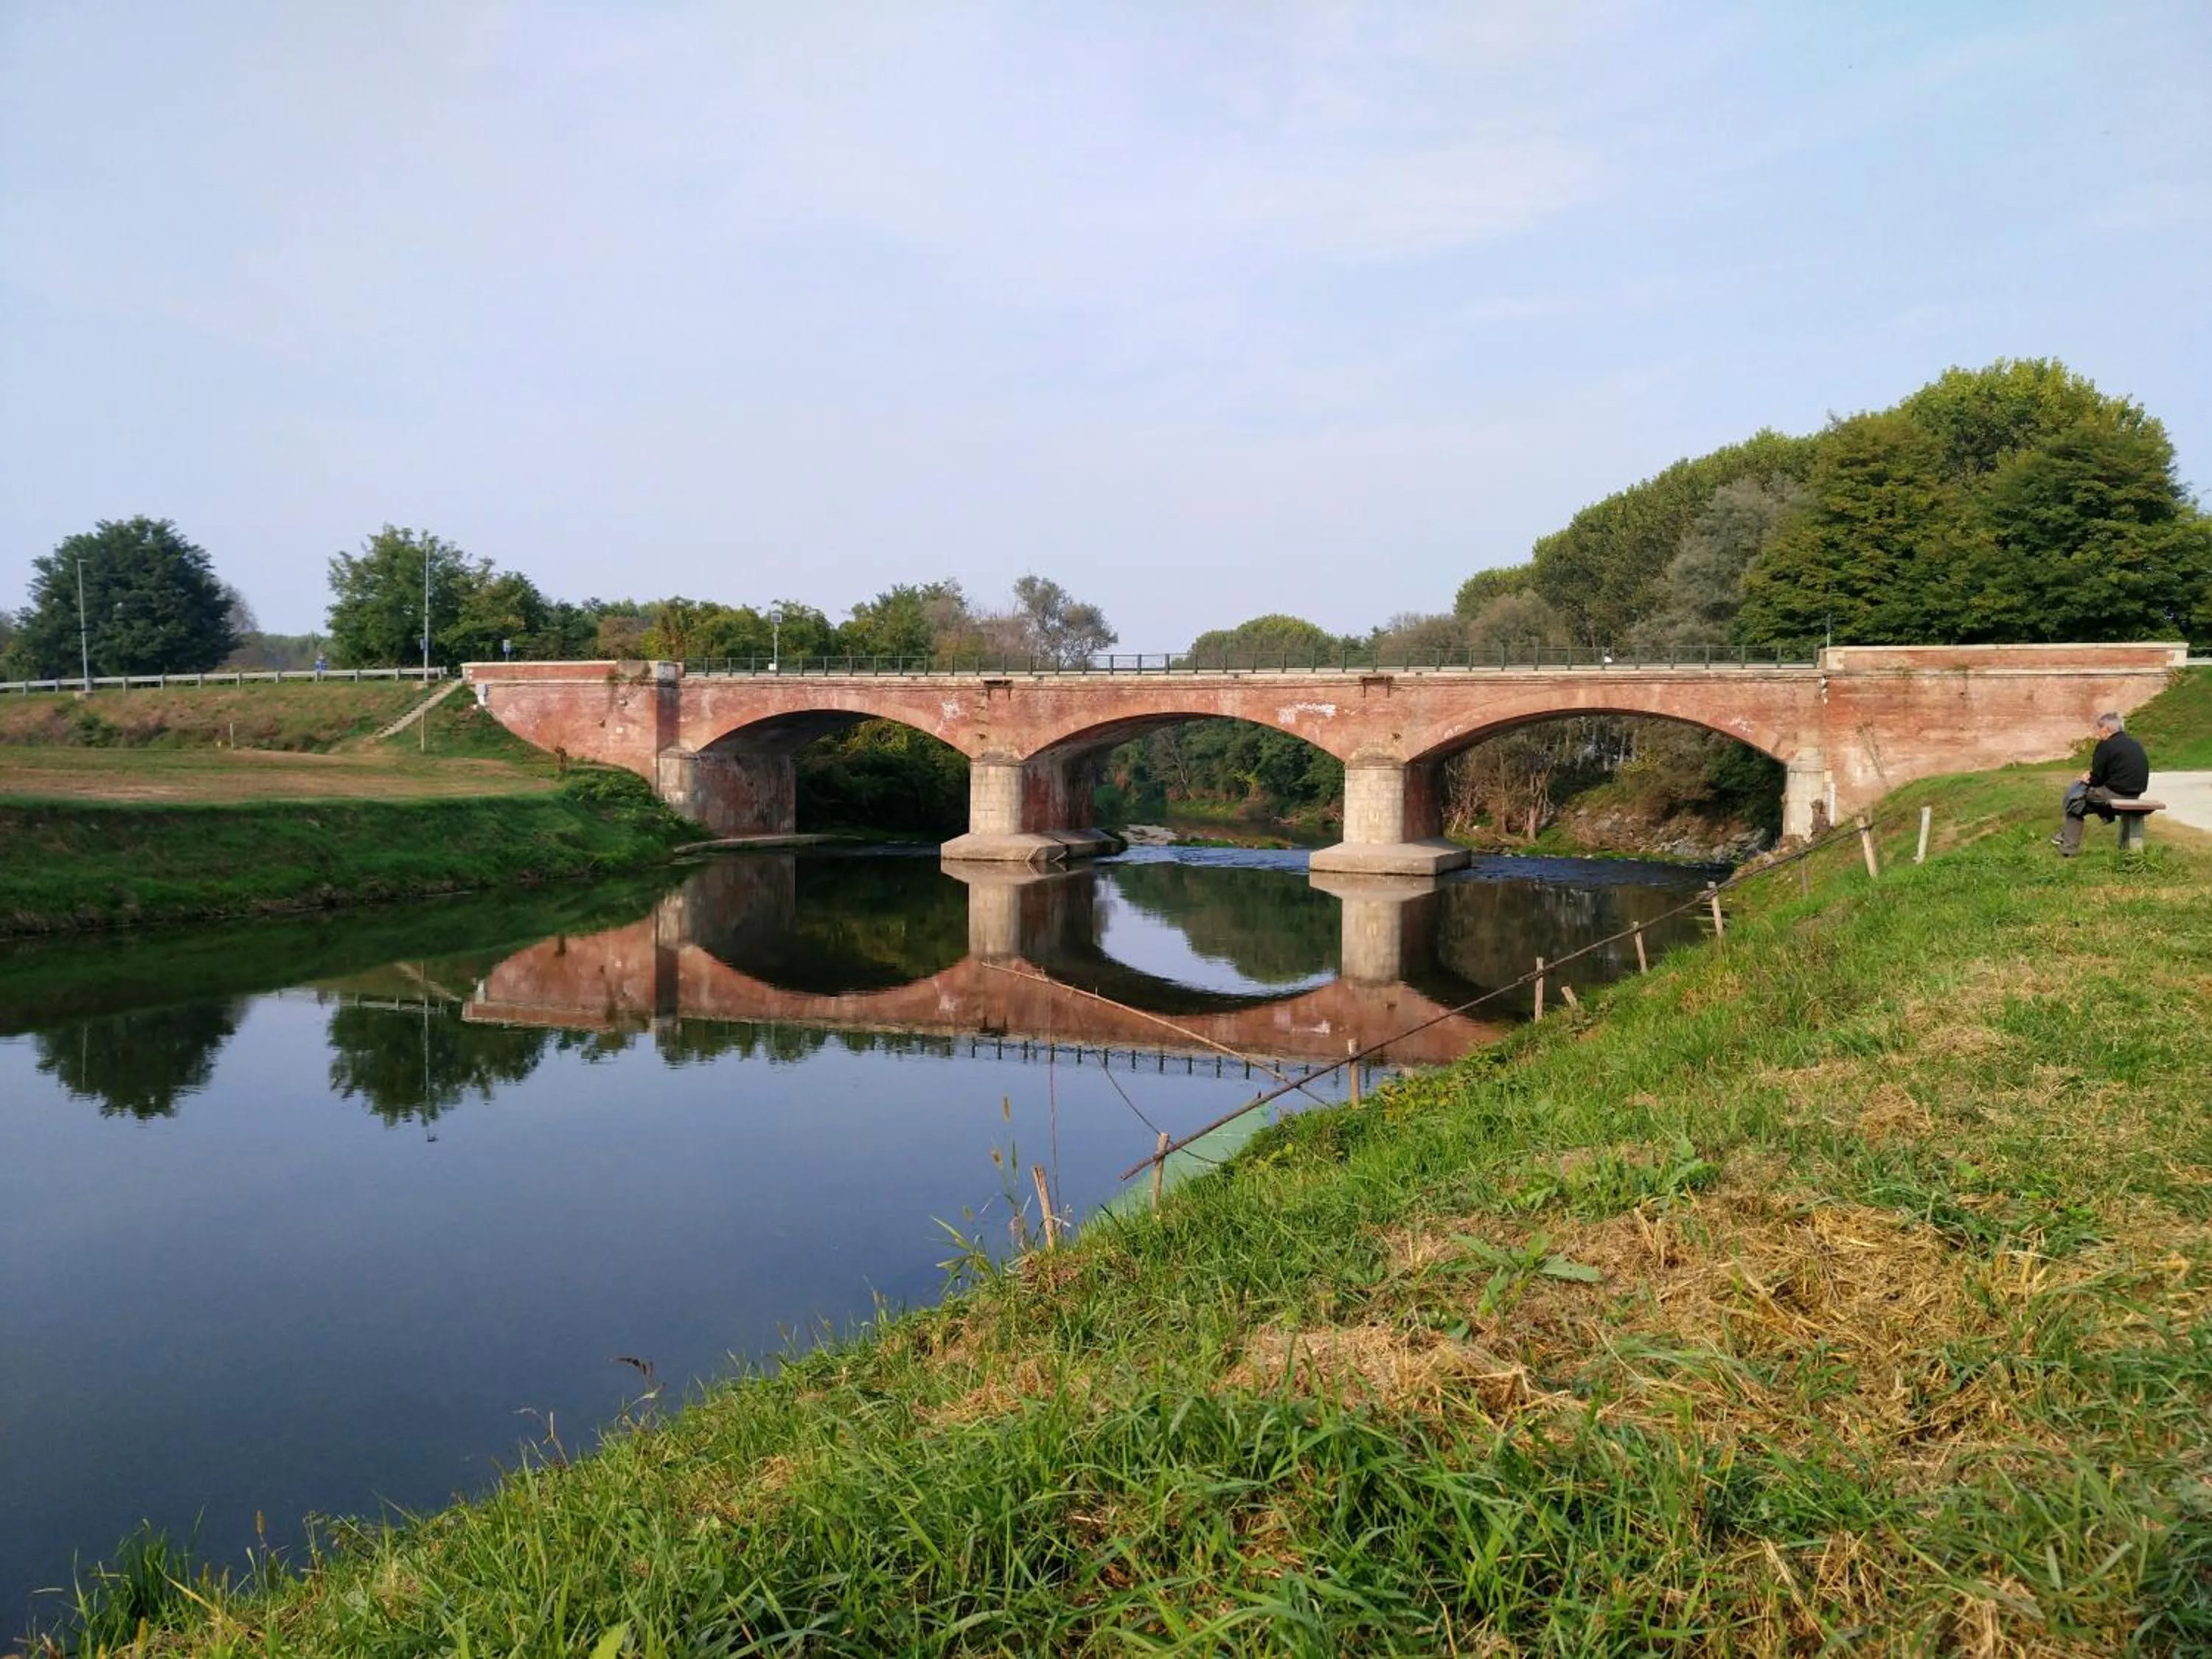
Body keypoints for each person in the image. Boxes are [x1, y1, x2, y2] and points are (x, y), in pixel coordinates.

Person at [2053, 712, 2149, 855]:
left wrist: (2087, 778)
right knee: (2083, 798)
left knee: (2075, 803)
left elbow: (2097, 779)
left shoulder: (2105, 746)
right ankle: (2066, 835)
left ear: (2106, 730)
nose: (2097, 733)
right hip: (2135, 795)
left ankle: (2068, 848)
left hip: (2115, 794)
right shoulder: (2135, 744)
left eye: (2099, 729)